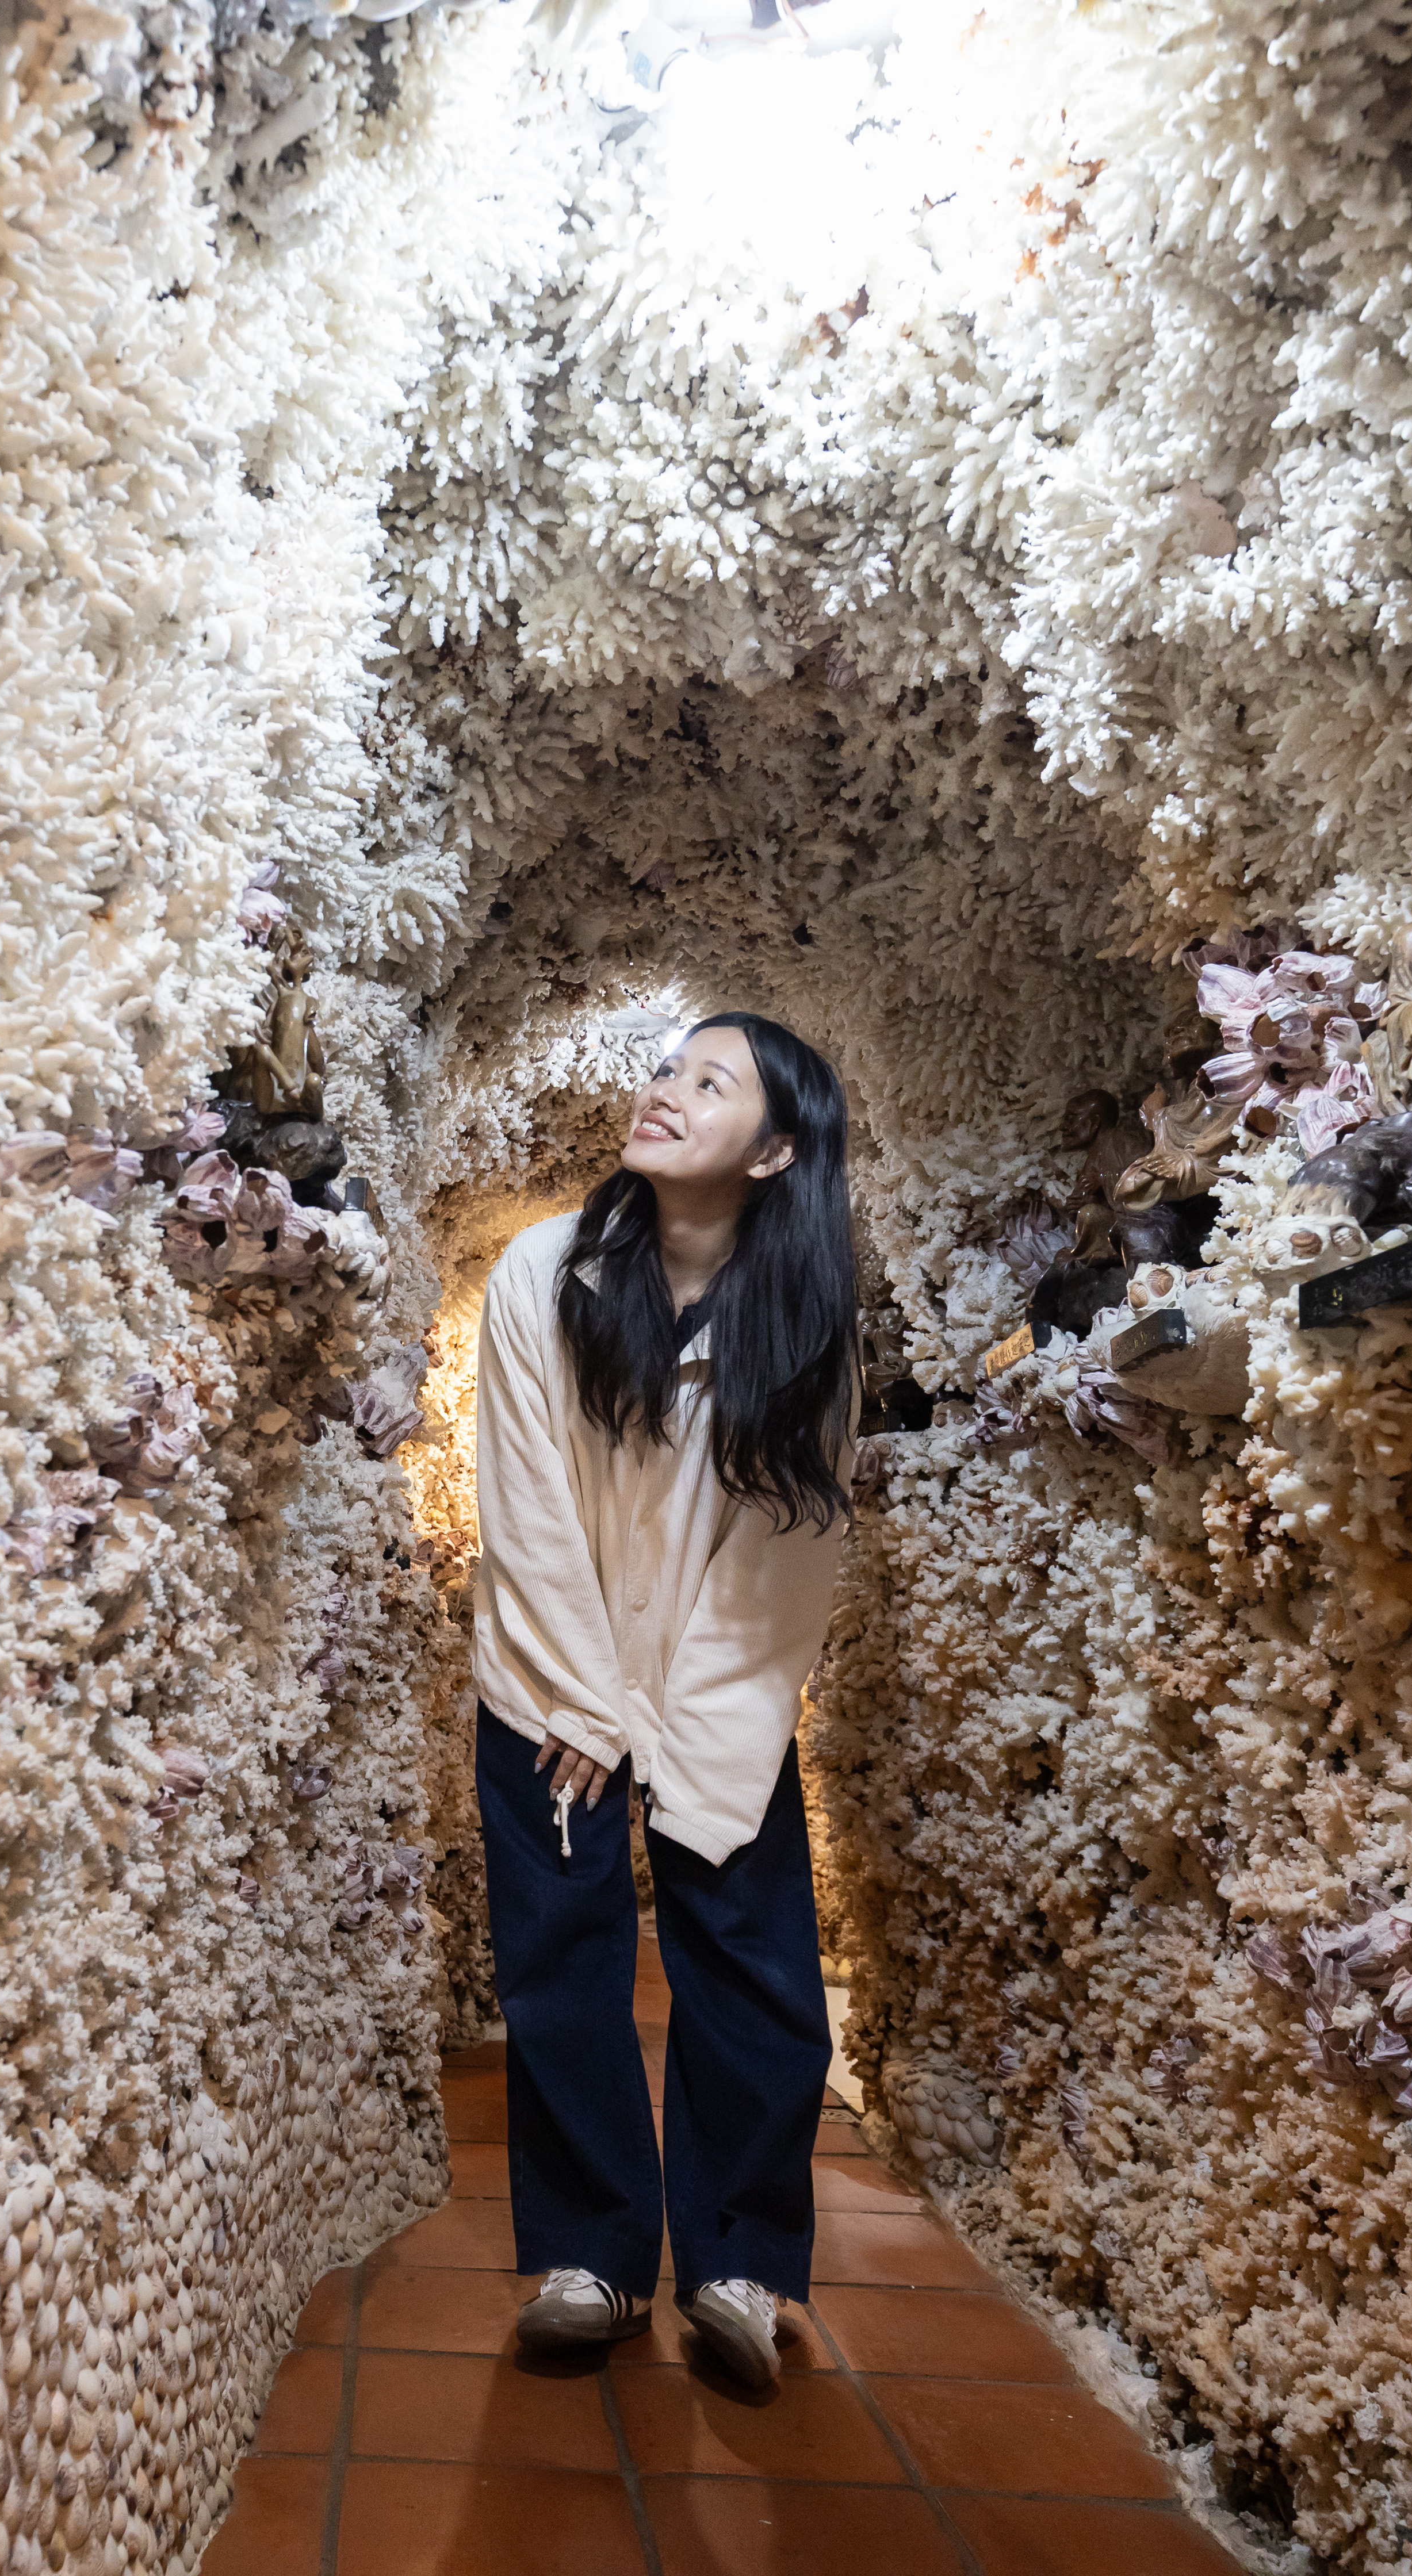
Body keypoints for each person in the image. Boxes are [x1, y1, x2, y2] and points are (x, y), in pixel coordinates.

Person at [467, 1011, 857, 2391]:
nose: (666, 1091)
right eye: (665, 1068)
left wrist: (687, 1724)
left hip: (719, 1677)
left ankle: (741, 2262)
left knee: (754, 1968)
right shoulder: (542, 1271)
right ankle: (594, 2254)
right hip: (547, 1678)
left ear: (775, 1151)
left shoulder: (805, 1324)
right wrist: (581, 1698)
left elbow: (779, 1554)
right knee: (560, 1964)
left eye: (711, 1082)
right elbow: (522, 1500)